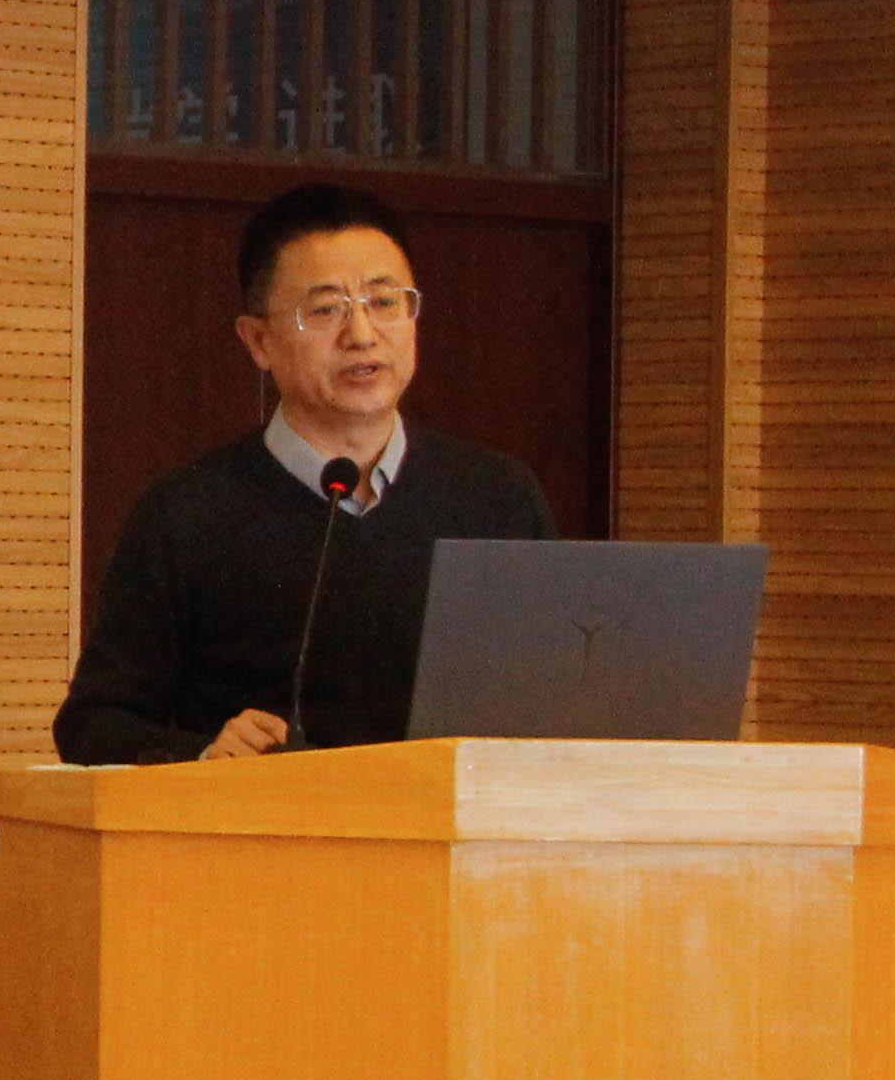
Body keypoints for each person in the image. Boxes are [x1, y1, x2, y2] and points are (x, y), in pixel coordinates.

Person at [54, 181, 554, 763]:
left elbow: (561, 699)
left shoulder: (498, 498)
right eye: (325, 310)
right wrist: (203, 756)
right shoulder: (186, 515)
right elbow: (93, 725)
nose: (361, 335)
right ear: (258, 341)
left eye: (384, 302)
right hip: (263, 820)